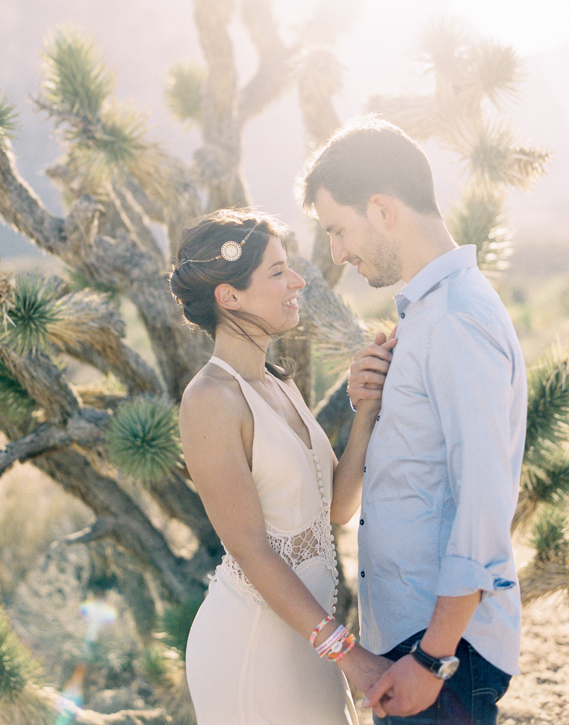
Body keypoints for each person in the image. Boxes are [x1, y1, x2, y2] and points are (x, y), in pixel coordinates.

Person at [300, 116, 527, 725]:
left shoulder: (454, 318)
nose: (337, 253)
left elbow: (483, 499)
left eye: (338, 229)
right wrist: (371, 402)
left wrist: (432, 660)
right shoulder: (427, 317)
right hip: (416, 639)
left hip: (441, 651)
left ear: (381, 208)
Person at [170, 208, 395, 725]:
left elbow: (336, 507)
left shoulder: (278, 384)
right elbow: (249, 548)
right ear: (229, 296)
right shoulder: (209, 399)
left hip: (309, 640)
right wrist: (348, 653)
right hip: (252, 643)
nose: (297, 282)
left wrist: (365, 412)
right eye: (277, 272)